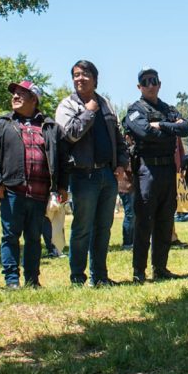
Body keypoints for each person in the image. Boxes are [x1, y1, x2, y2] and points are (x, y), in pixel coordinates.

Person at [0, 81, 63, 289]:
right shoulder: (3, 123)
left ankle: (32, 280)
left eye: (21, 93)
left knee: (34, 238)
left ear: (34, 99)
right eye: (14, 93)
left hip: (40, 193)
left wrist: (61, 187)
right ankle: (11, 280)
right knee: (10, 236)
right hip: (11, 191)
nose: (15, 97)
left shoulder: (50, 126)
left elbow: (61, 159)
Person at [56, 60, 130, 286]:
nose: (80, 78)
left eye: (85, 74)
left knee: (103, 229)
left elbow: (118, 137)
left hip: (107, 174)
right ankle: (77, 277)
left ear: (95, 79)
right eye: (76, 75)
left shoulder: (106, 103)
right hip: (82, 175)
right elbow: (69, 135)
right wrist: (88, 112)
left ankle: (100, 276)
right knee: (82, 228)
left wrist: (121, 163)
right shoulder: (67, 105)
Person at [123, 68, 188, 282]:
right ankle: (139, 271)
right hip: (146, 170)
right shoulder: (135, 109)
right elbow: (143, 132)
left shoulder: (168, 109)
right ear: (139, 87)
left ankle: (160, 268)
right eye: (145, 82)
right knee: (144, 221)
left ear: (160, 84)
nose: (150, 85)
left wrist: (160, 125)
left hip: (168, 170)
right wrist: (171, 129)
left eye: (154, 81)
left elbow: (186, 128)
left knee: (165, 220)